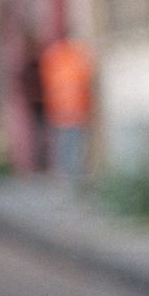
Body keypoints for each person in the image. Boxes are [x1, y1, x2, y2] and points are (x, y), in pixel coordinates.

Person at [40, 35, 93, 188]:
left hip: (62, 112)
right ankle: (72, 175)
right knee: (73, 143)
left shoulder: (53, 59)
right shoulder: (74, 59)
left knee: (66, 143)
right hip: (75, 110)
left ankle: (67, 175)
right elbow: (85, 80)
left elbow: (49, 85)